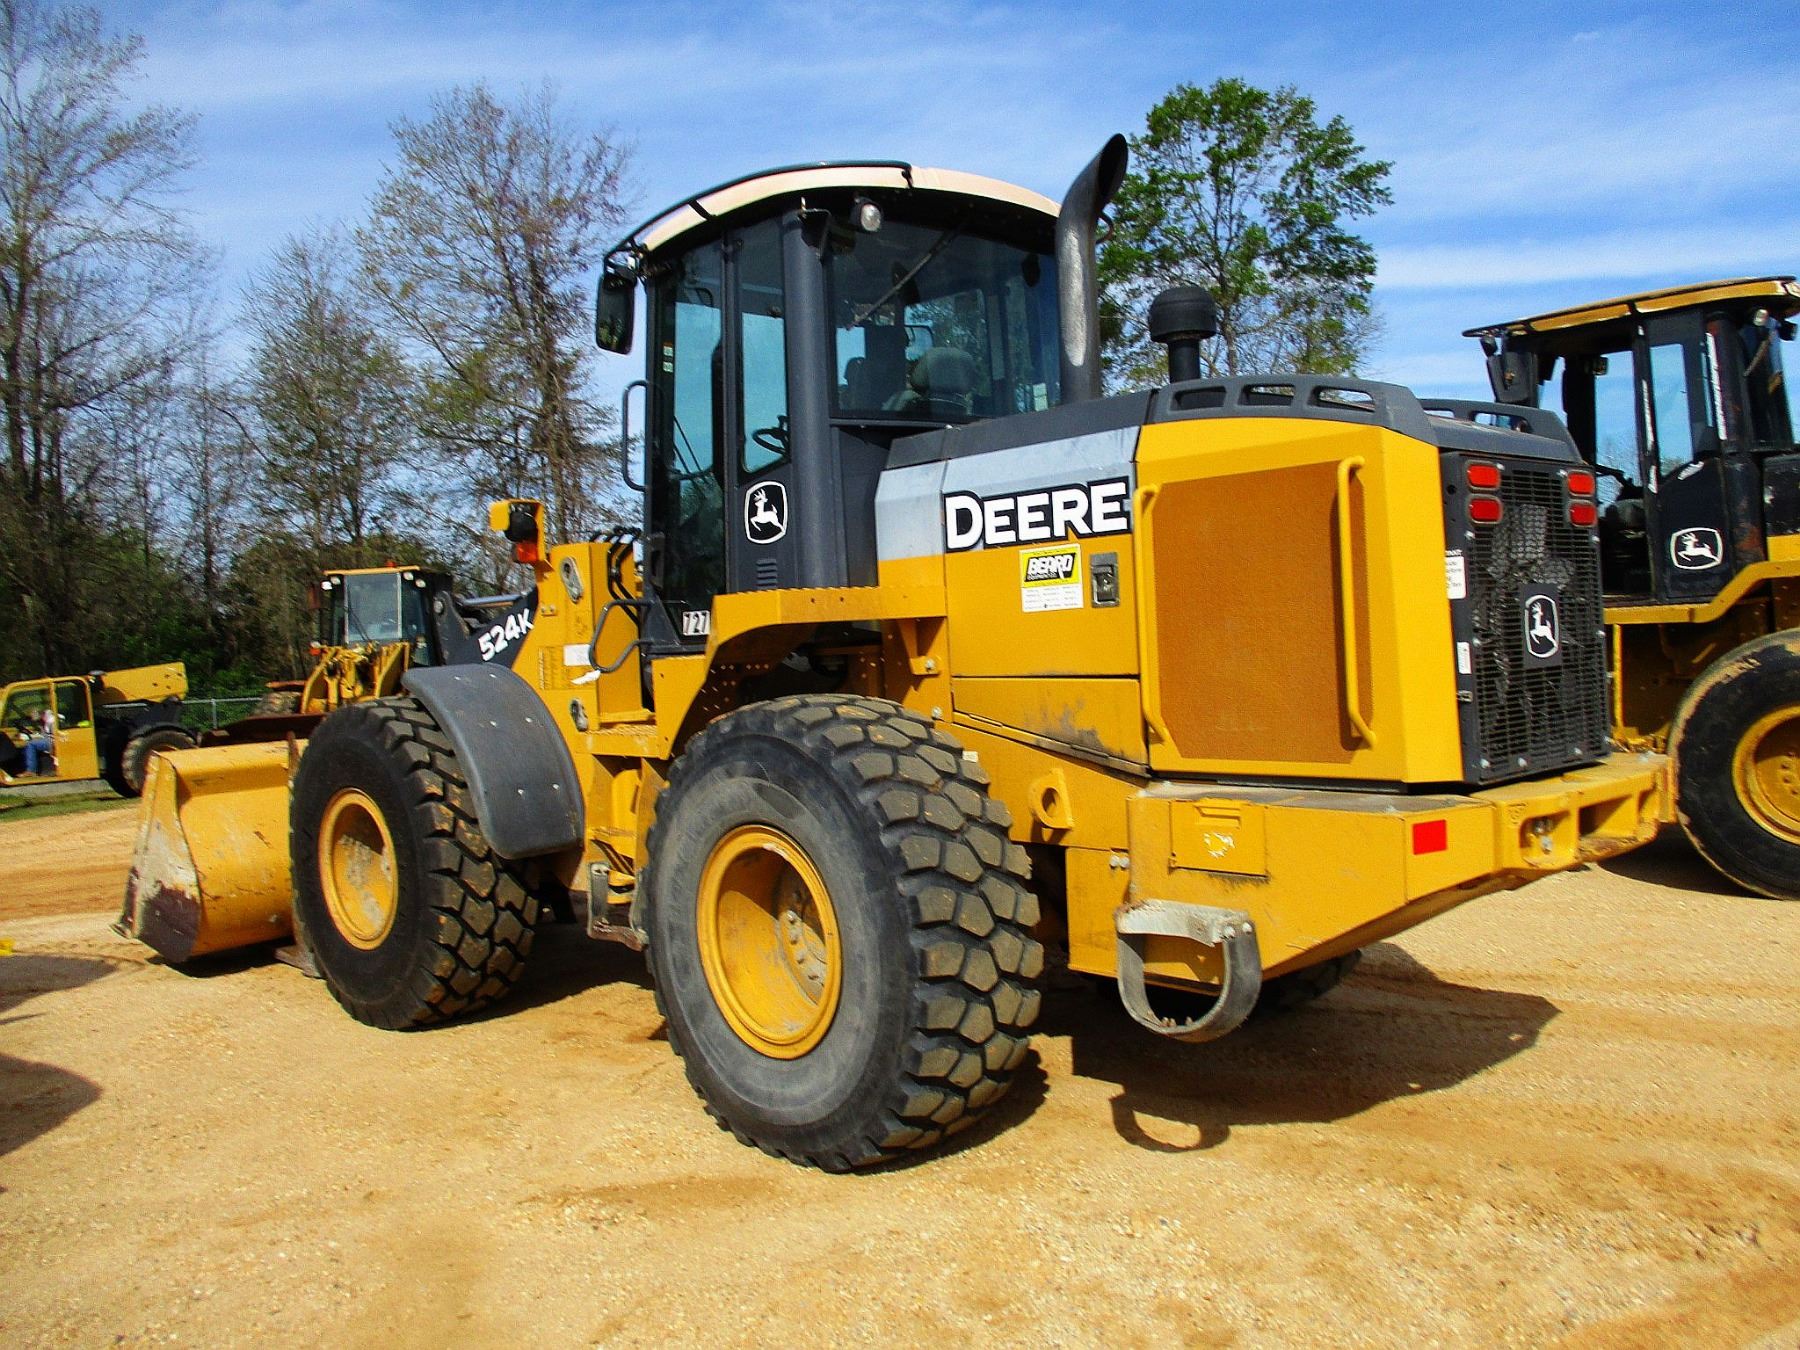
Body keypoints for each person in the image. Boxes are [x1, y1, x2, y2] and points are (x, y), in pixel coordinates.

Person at [22, 706, 54, 776]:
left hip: (54, 741)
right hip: (49, 739)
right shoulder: (42, 720)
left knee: (30, 744)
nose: (31, 720)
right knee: (28, 744)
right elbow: (44, 734)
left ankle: (31, 770)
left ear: (35, 713)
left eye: (31, 717)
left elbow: (54, 735)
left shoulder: (50, 720)